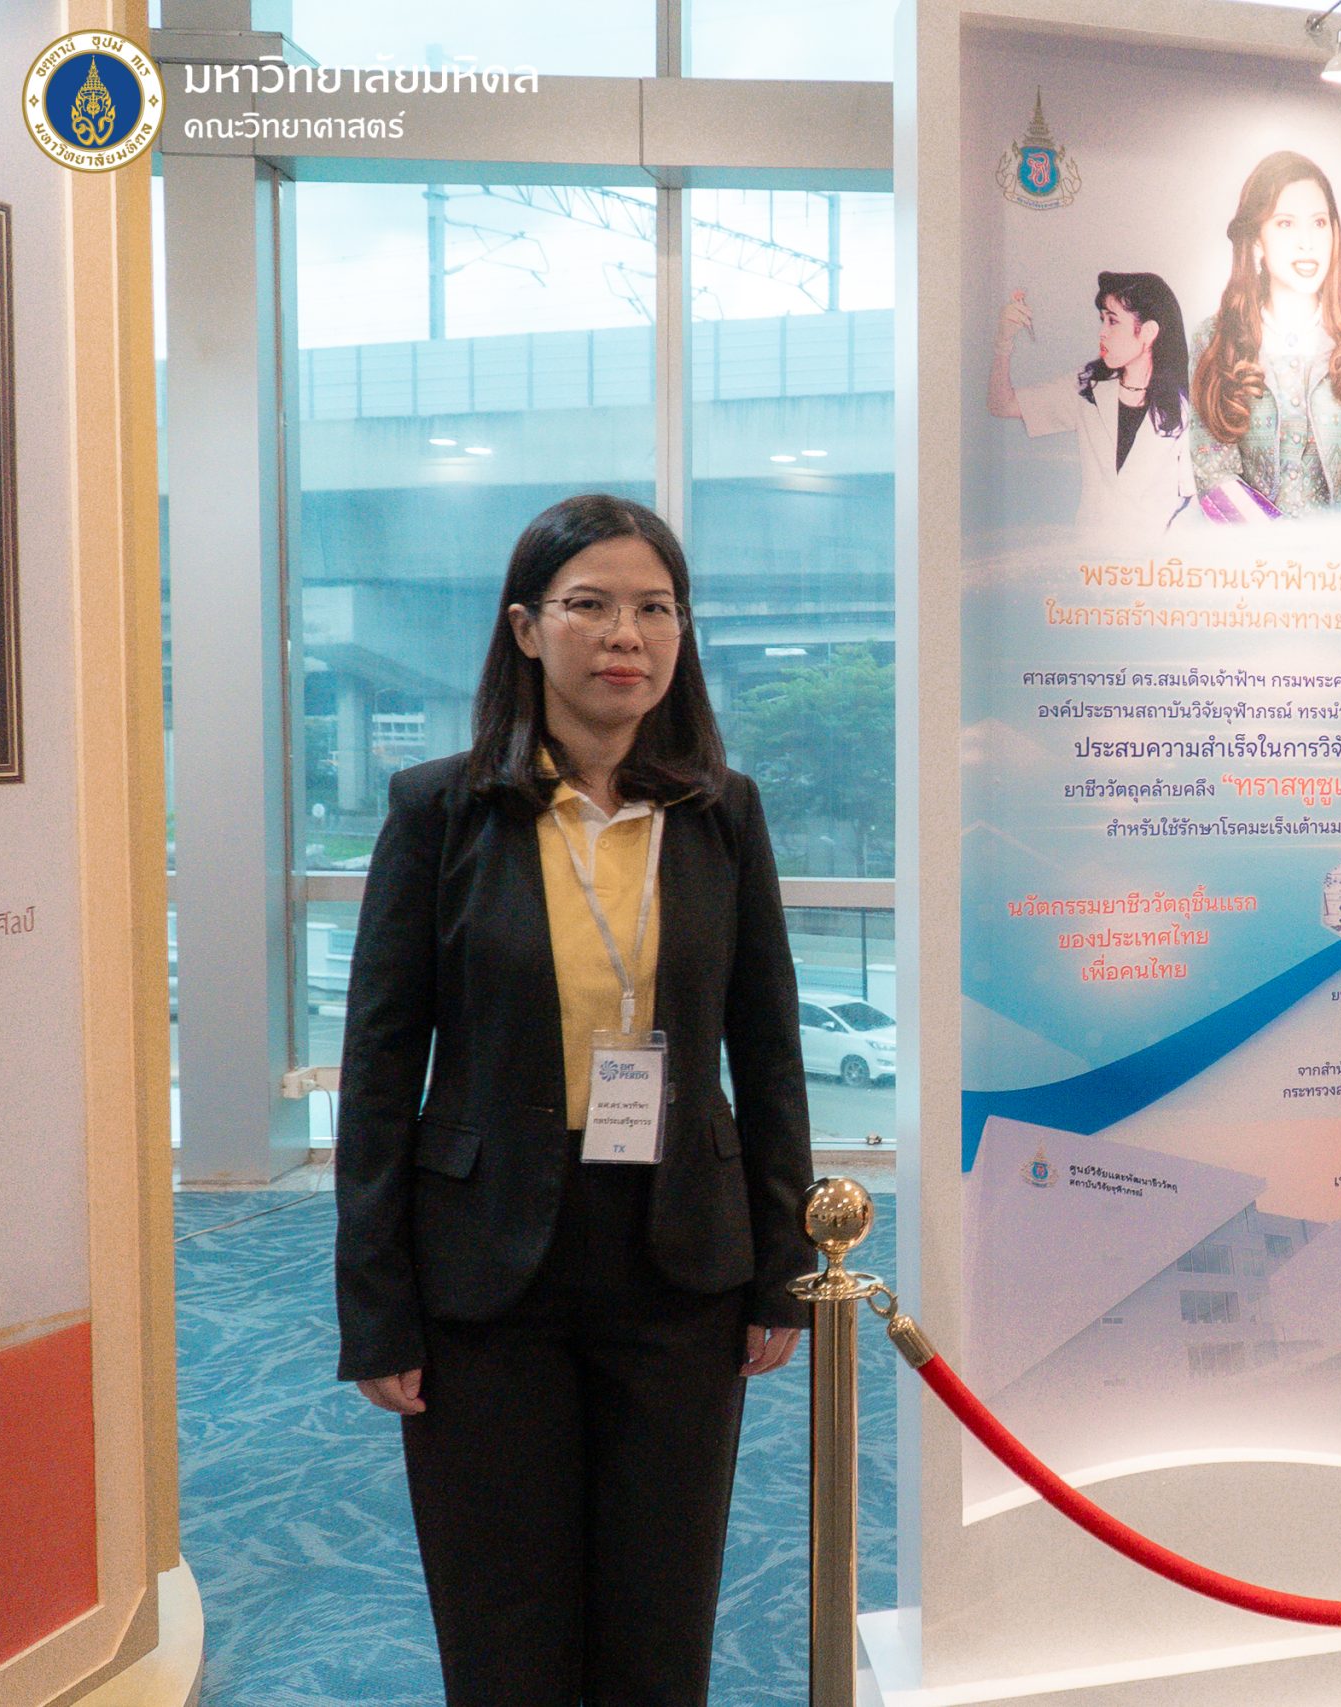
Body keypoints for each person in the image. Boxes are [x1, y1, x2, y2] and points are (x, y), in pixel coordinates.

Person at [333, 493, 815, 1707]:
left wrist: (782, 1268)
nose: (625, 636)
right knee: (504, 1616)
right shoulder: (440, 811)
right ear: (525, 628)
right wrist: (376, 1309)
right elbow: (380, 1074)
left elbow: (767, 1056)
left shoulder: (721, 813)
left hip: (679, 1255)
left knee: (661, 1614)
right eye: (589, 605)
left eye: (655, 609)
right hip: (486, 1264)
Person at [1190, 150, 1341, 519]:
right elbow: (1213, 475)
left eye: (1319, 222)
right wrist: (1280, 549)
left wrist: (1338, 552)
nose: (1307, 242)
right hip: (1245, 553)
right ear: (1256, 240)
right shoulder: (1215, 339)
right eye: (1285, 223)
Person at [987, 271, 1195, 537]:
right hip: (1090, 555)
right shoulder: (1086, 387)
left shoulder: (1184, 406)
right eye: (1102, 320)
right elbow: (1001, 405)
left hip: (1154, 557)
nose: (1102, 332)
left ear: (1148, 332)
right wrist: (1003, 342)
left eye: (1113, 321)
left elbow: (1191, 497)